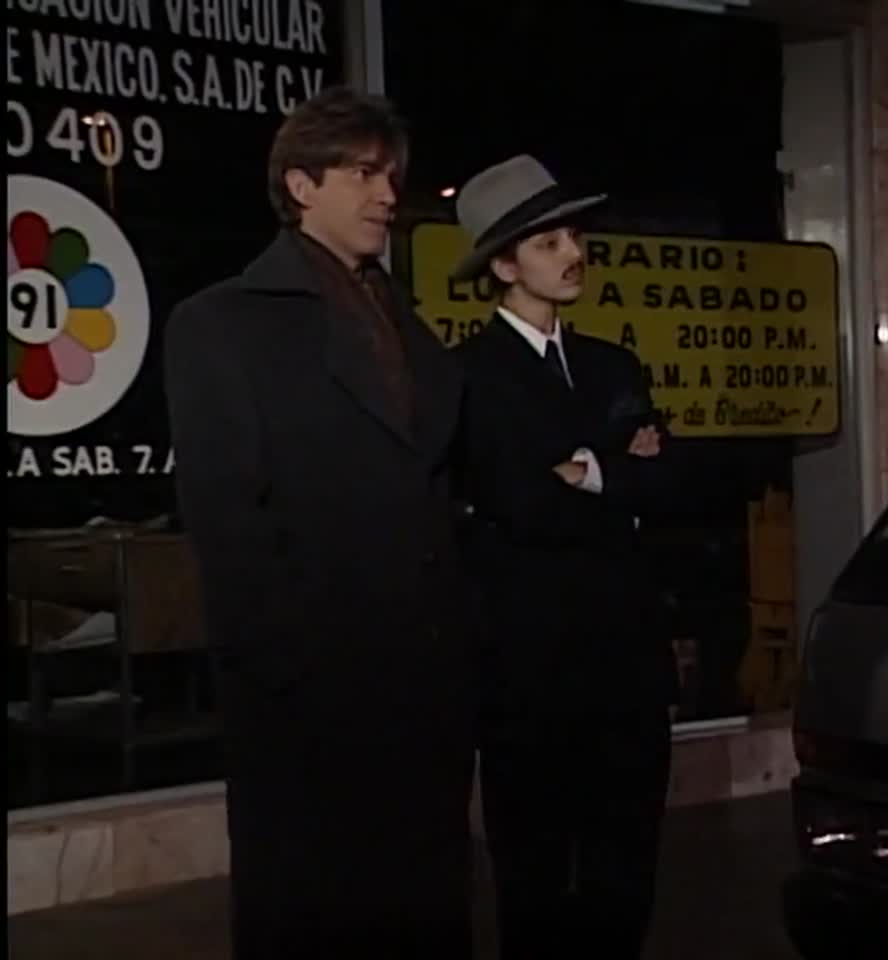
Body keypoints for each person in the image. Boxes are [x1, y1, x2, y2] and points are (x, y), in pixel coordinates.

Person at [165, 87, 474, 958]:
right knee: (316, 909)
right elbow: (227, 520)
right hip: (310, 697)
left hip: (423, 689)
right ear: (301, 186)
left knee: (419, 906)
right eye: (363, 174)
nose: (387, 195)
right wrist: (288, 667)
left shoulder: (405, 321)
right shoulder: (221, 324)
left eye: (392, 176)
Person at [452, 154, 682, 960]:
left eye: (576, 237)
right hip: (530, 672)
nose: (574, 254)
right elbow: (519, 502)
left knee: (628, 866)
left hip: (629, 666)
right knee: (536, 873)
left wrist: (585, 471)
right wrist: (614, 470)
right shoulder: (468, 377)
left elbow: (670, 480)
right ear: (504, 266)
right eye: (548, 243)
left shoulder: (614, 363)